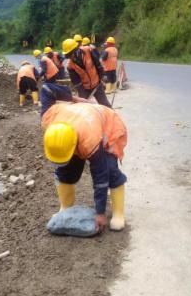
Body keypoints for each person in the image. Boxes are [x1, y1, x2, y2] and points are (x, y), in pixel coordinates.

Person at [41, 100, 127, 232]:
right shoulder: (49, 120)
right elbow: (48, 91)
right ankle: (65, 208)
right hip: (80, 125)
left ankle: (118, 214)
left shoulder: (89, 141)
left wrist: (100, 212)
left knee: (110, 171)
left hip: (109, 126)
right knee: (65, 172)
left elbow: (101, 177)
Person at [62, 38, 111, 107]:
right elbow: (77, 83)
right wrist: (82, 95)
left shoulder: (88, 51)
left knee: (105, 104)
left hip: (97, 83)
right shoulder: (70, 66)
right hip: (85, 88)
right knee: (84, 107)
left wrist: (102, 77)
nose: (71, 57)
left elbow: (98, 65)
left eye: (71, 54)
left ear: (76, 50)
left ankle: (111, 116)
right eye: (68, 55)